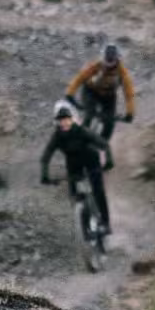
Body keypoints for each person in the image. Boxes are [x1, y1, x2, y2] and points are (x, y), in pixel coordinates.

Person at [38, 97, 113, 235]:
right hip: (74, 164)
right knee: (74, 194)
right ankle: (83, 220)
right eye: (61, 120)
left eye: (67, 119)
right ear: (58, 122)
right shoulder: (57, 136)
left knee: (98, 191)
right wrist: (44, 175)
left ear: (71, 119)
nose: (64, 122)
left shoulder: (81, 130)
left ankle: (106, 224)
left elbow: (103, 144)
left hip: (91, 160)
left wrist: (109, 161)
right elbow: (46, 156)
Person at [67, 41, 136, 138]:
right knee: (89, 114)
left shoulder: (122, 73)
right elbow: (80, 78)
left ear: (117, 59)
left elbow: (129, 94)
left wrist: (130, 113)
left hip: (109, 96)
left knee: (109, 124)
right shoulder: (96, 65)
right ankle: (81, 138)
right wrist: (70, 94)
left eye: (111, 62)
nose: (108, 64)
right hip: (90, 91)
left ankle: (102, 144)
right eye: (106, 61)